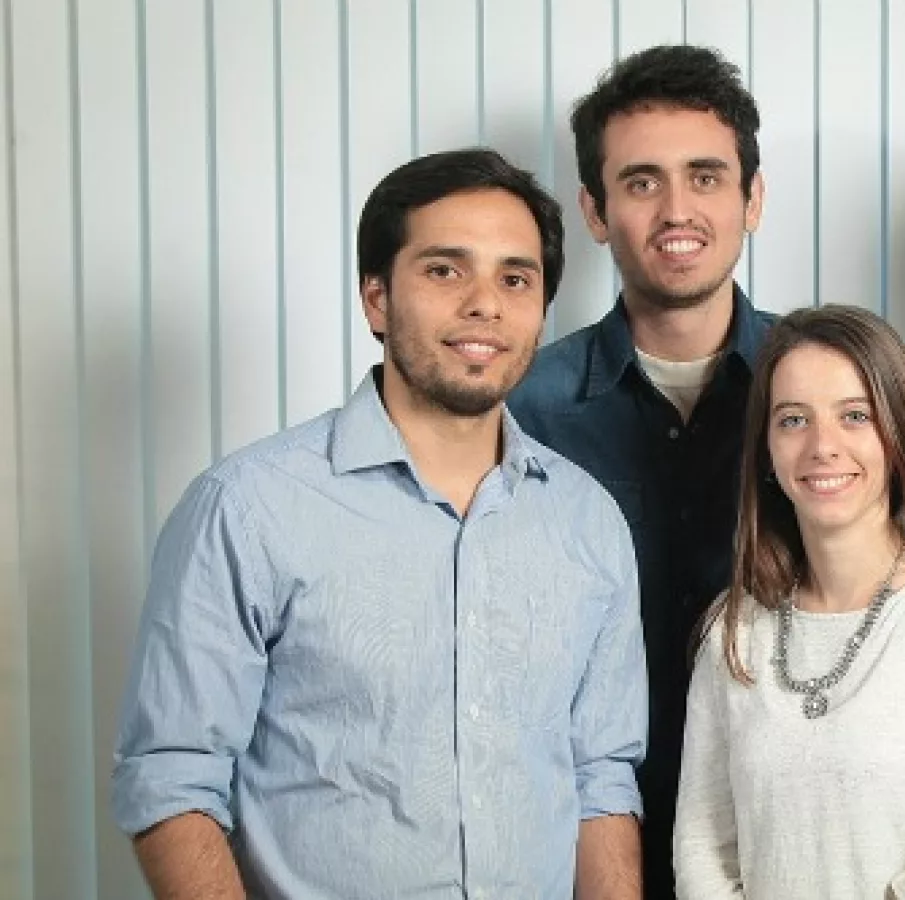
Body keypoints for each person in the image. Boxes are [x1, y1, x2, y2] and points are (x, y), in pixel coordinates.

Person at [111, 149, 647, 899]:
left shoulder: (588, 521)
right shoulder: (247, 508)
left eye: (515, 278)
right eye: (445, 270)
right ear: (376, 299)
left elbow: (600, 779)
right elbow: (172, 779)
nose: (485, 304)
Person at [506, 43, 770, 894]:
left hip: (786, 842)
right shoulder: (522, 408)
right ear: (595, 209)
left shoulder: (827, 395)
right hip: (572, 847)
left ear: (752, 199)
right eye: (642, 181)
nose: (676, 210)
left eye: (705, 176)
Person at [675, 304, 905, 898]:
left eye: (855, 416)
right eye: (794, 419)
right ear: (766, 450)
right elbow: (702, 854)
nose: (823, 446)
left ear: (899, 436)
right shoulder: (733, 628)